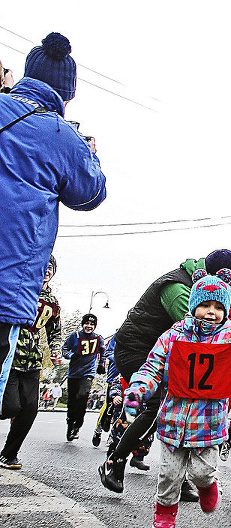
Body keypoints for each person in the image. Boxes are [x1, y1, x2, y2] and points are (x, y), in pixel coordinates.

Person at [0, 32, 106, 405]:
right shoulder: (64, 137)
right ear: (69, 92)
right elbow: (91, 194)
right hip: (7, 285)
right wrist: (90, 155)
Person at [124, 269, 231, 528]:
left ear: (226, 311)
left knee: (202, 473)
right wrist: (138, 389)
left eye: (218, 306)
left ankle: (207, 486)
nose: (211, 311)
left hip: (208, 421)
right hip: (173, 418)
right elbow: (152, 367)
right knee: (169, 475)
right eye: (204, 305)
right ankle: (164, 513)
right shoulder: (174, 335)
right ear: (193, 305)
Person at [100, 249, 231, 495]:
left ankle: (180, 473)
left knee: (186, 404)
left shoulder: (200, 288)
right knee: (157, 404)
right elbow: (200, 335)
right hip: (139, 348)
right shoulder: (177, 287)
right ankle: (115, 460)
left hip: (170, 351)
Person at [0, 257, 62, 469]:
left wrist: (55, 351)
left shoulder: (52, 303)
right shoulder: (19, 289)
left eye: (51, 268)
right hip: (10, 356)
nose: (47, 271)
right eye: (44, 266)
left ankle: (9, 454)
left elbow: (55, 332)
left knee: (29, 409)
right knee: (9, 406)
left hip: (33, 360)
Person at [61, 313, 105, 441]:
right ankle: (70, 426)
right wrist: (70, 355)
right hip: (74, 373)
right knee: (72, 401)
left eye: (92, 324)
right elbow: (65, 349)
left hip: (88, 373)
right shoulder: (75, 336)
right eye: (87, 323)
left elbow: (103, 351)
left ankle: (78, 425)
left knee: (82, 395)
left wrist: (101, 365)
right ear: (83, 324)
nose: (89, 326)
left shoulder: (98, 338)